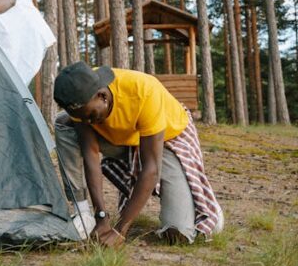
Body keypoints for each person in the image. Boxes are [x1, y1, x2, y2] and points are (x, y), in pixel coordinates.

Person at [52, 62, 223, 246]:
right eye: (83, 118)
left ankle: (206, 208)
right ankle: (82, 212)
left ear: (102, 96)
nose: (88, 122)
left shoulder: (144, 91)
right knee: (64, 123)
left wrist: (120, 230)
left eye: (92, 116)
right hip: (126, 140)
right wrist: (101, 216)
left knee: (178, 233)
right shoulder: (78, 94)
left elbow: (151, 169)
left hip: (167, 140)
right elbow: (90, 156)